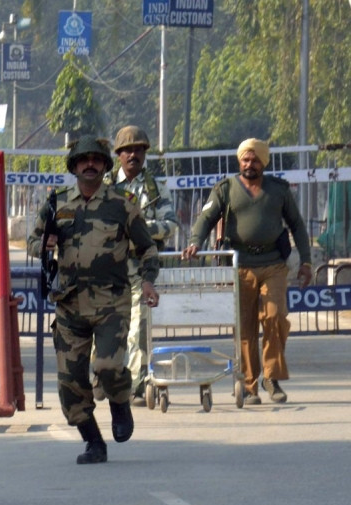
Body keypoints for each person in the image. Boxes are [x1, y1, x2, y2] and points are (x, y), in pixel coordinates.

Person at [28, 136, 160, 464]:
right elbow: (33, 241)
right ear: (74, 166)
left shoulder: (122, 203)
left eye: (96, 160)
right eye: (83, 160)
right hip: (69, 304)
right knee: (69, 383)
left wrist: (147, 281)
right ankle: (93, 442)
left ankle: (120, 403)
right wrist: (43, 245)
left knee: (108, 366)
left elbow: (147, 248)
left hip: (111, 302)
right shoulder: (57, 203)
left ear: (104, 166)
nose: (90, 164)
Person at [182, 138, 312, 405]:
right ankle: (249, 385)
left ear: (264, 162)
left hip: (273, 263)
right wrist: (195, 242)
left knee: (275, 318)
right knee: (245, 328)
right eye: (245, 159)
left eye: (254, 160)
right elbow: (206, 218)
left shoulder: (278, 189)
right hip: (239, 266)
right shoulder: (226, 189)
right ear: (239, 161)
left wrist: (306, 262)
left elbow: (297, 225)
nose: (249, 164)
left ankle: (271, 378)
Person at [101, 125, 179, 404]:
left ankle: (136, 385)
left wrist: (139, 228)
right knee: (105, 330)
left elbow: (170, 225)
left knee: (139, 328)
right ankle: (103, 377)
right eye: (128, 150)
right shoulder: (104, 187)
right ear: (119, 155)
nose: (133, 155)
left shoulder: (156, 188)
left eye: (139, 150)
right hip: (106, 269)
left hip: (141, 270)